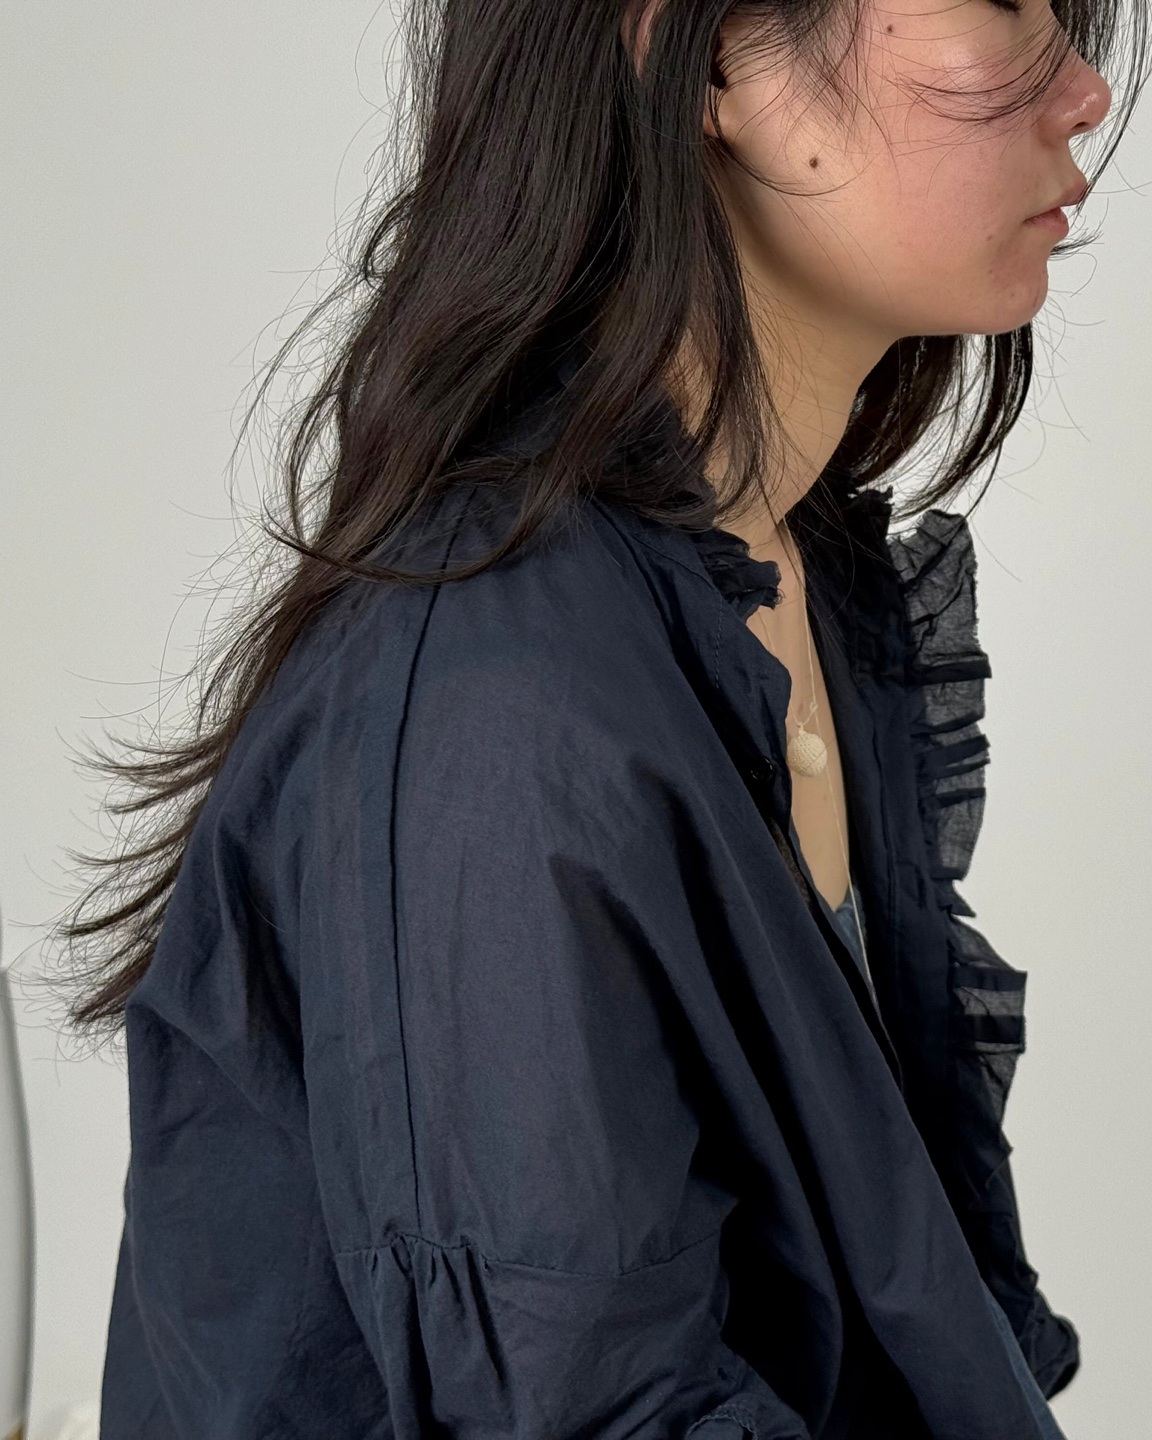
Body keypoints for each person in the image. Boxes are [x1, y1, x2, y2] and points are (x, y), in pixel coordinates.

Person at [52, 0, 1146, 1435]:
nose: (1084, 91)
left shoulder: (784, 583)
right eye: (1001, 3)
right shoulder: (504, 711)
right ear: (706, 55)